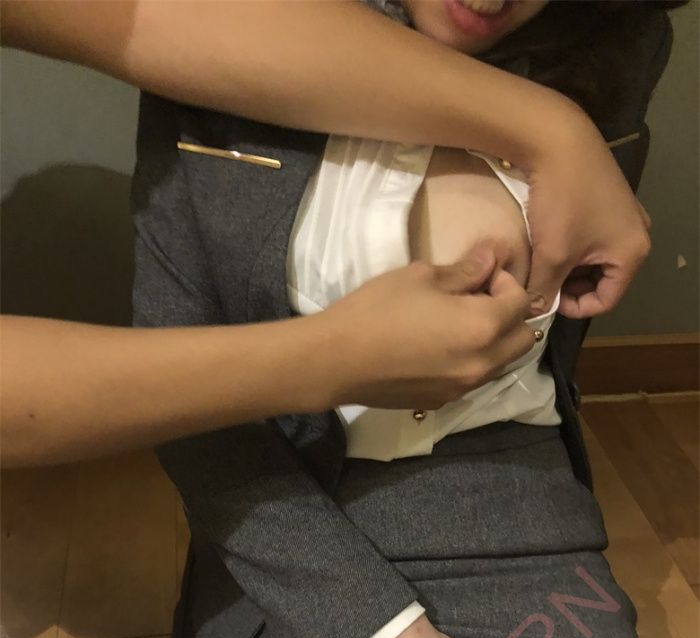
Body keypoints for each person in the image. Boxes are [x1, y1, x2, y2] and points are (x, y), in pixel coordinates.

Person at [138, 0, 682, 638]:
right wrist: (380, 633)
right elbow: (183, 402)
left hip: (515, 514)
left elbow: (562, 344)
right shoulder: (212, 34)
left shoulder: (612, 44)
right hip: (281, 513)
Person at [1, 0, 655, 466]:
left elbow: (150, 15)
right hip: (283, 499)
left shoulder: (617, 54)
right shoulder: (207, 164)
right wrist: (332, 361)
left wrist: (554, 131)